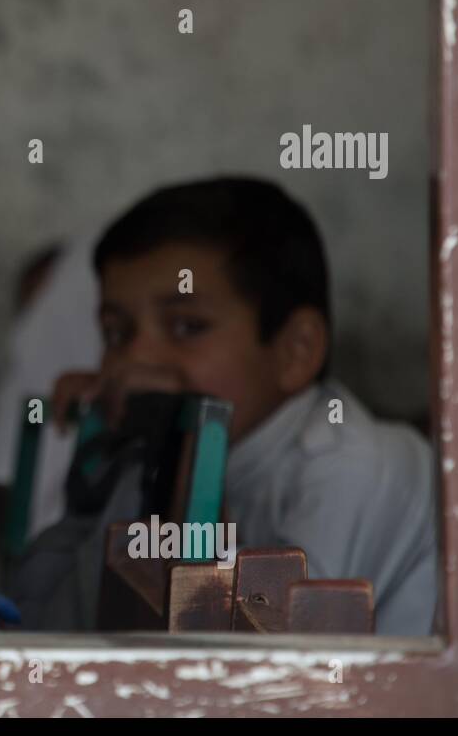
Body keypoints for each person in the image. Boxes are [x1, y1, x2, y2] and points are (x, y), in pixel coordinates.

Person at [33, 177, 437, 636]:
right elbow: (70, 614)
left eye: (187, 326)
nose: (134, 361)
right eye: (116, 334)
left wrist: (173, 457)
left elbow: (258, 669)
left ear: (295, 352)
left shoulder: (356, 467)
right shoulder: (208, 452)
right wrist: (118, 448)